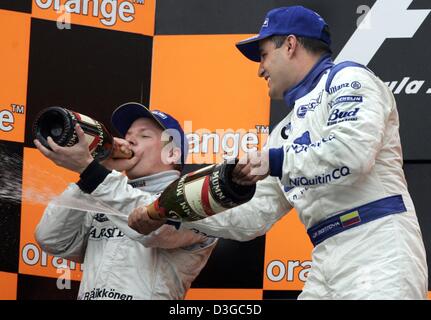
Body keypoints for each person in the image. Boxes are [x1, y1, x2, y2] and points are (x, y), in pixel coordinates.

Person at [129, 6, 428, 299]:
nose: (260, 69)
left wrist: (274, 161)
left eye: (263, 55)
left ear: (290, 44)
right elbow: (253, 215)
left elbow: (353, 154)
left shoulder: (348, 79)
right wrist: (173, 214)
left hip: (379, 247)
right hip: (327, 257)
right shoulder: (284, 130)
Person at [34, 102, 217, 300]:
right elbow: (51, 239)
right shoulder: (105, 192)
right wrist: (93, 173)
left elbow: (151, 229)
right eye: (128, 135)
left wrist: (93, 173)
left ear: (172, 153)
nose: (130, 141)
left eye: (144, 135)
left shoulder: (193, 196)